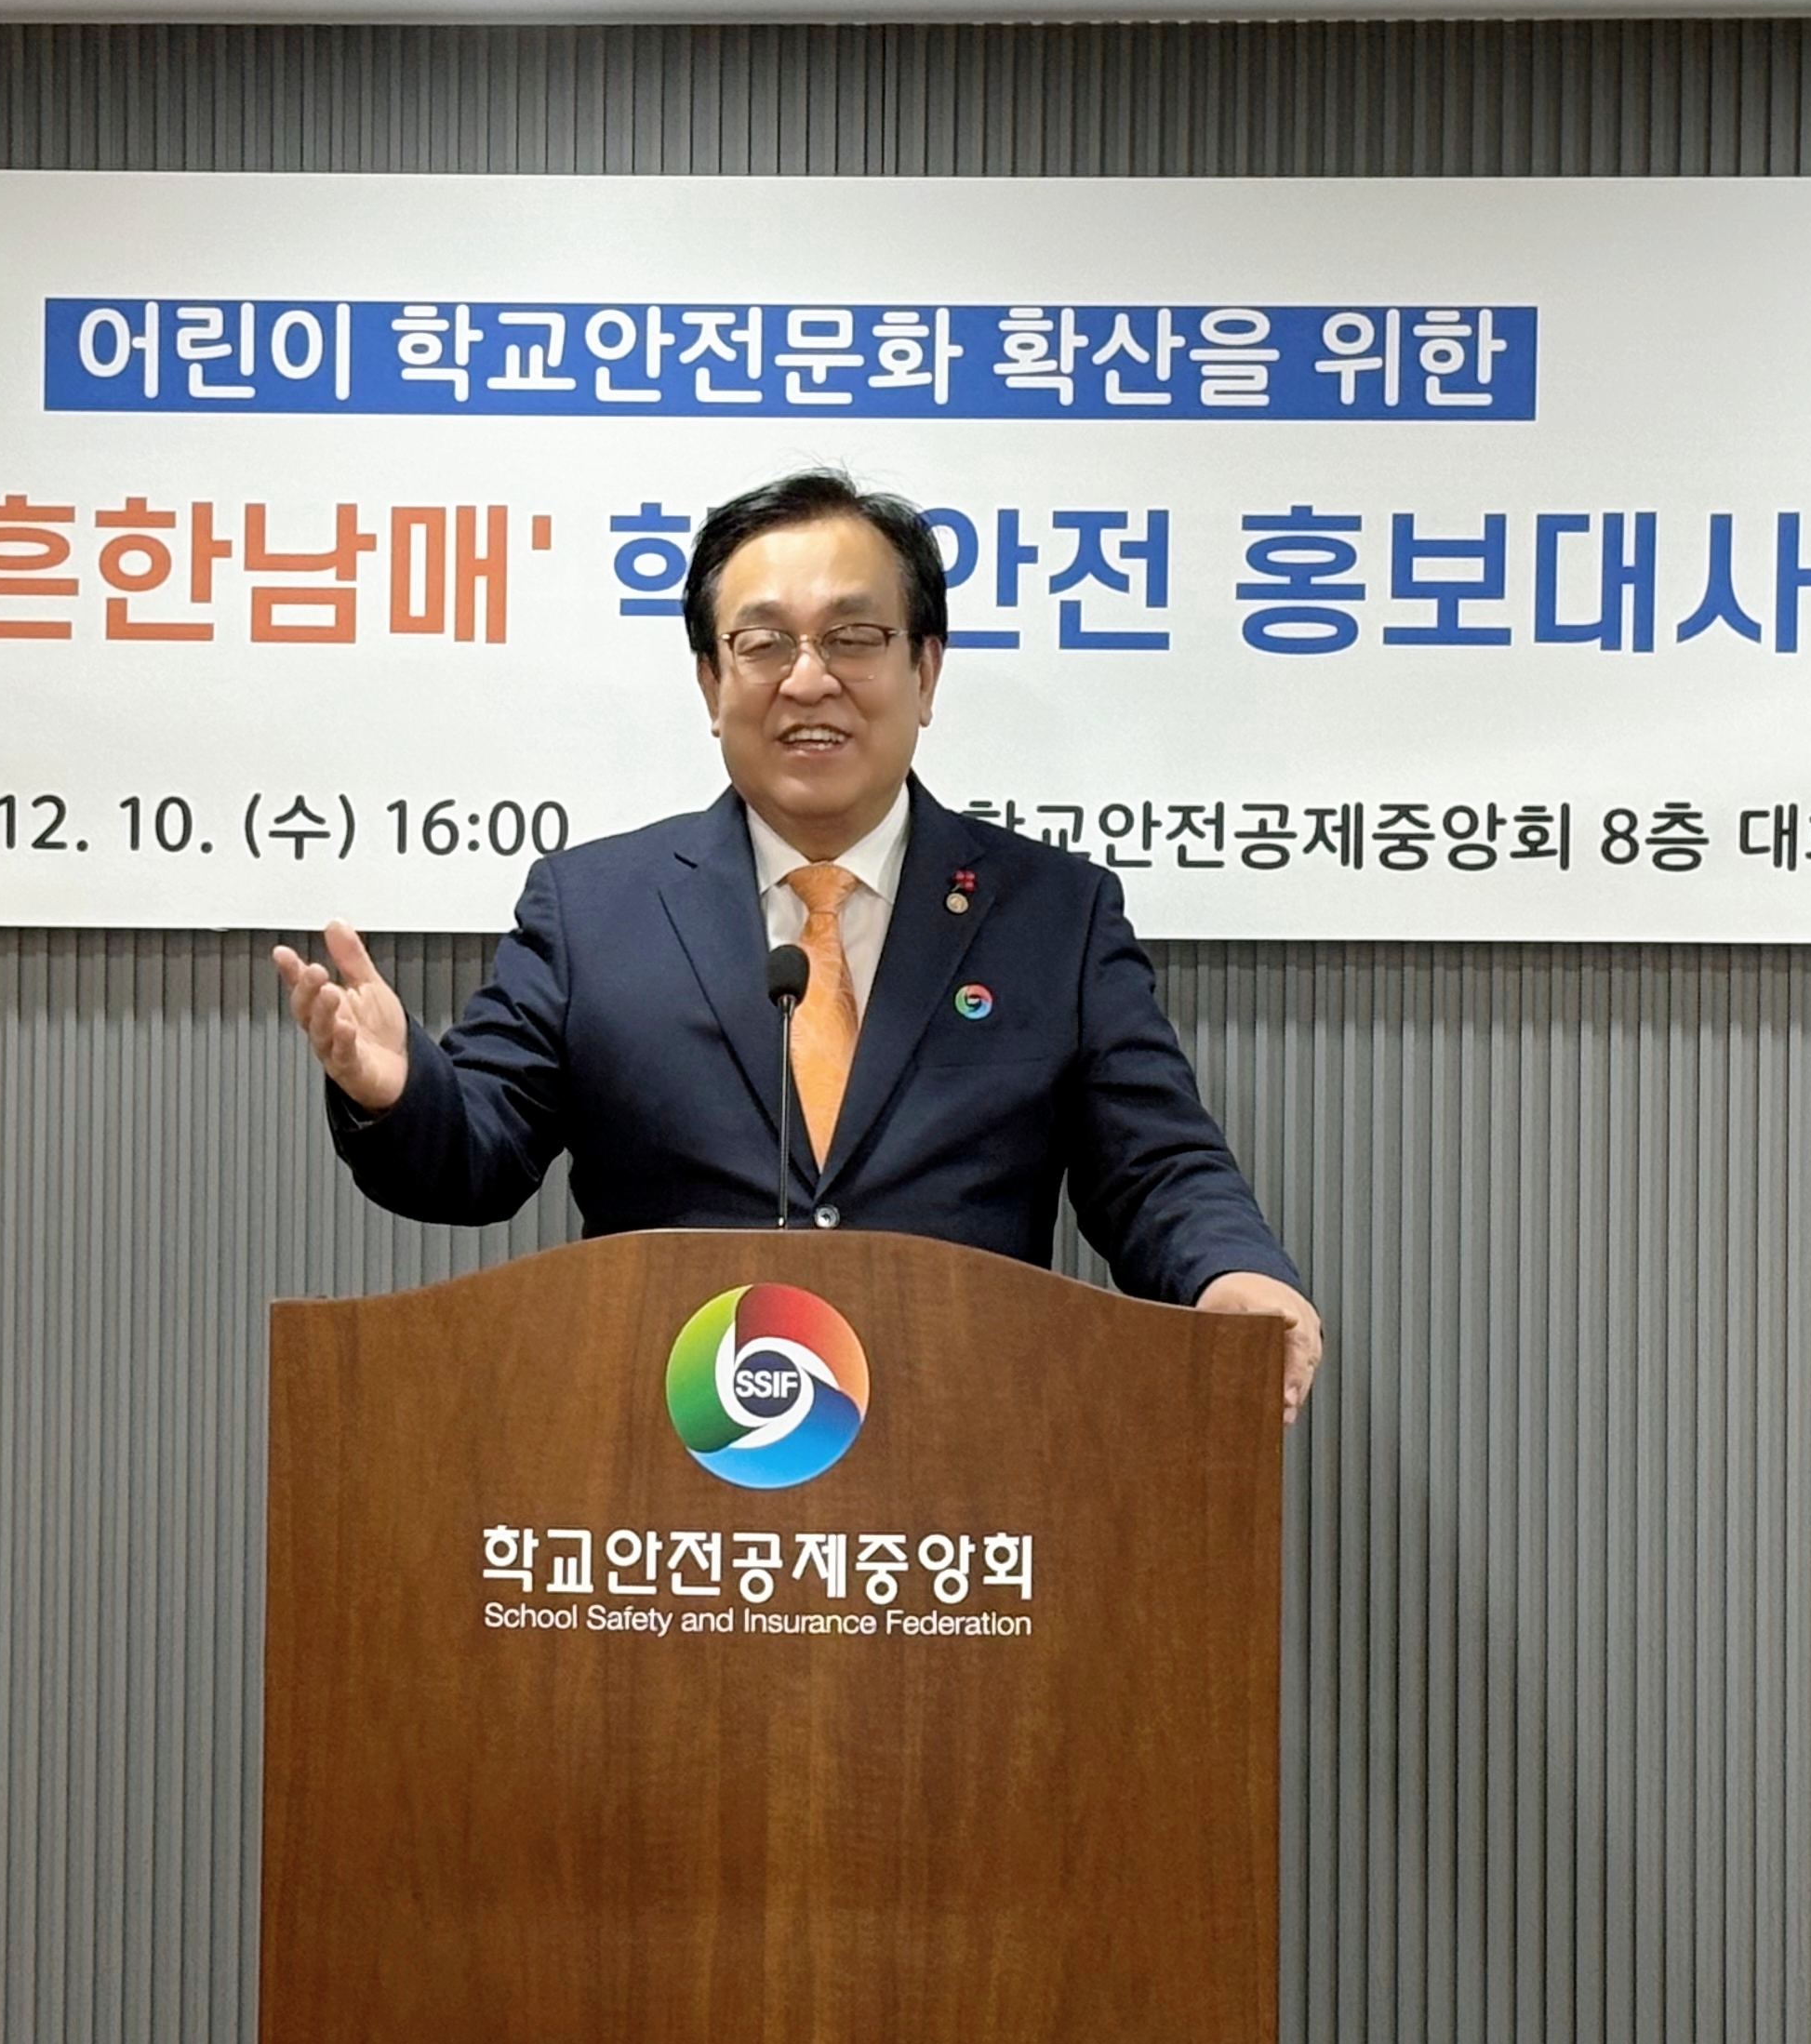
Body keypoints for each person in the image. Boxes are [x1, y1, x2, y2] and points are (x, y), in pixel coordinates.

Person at [273, 469, 1325, 1419]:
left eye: (853, 638)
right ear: (710, 683)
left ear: (926, 670)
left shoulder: (1052, 913)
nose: (808, 680)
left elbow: (1157, 1165)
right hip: (665, 1461)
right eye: (765, 643)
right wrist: (397, 1089)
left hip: (967, 1462)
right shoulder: (595, 908)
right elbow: (475, 1159)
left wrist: (1233, 1275)